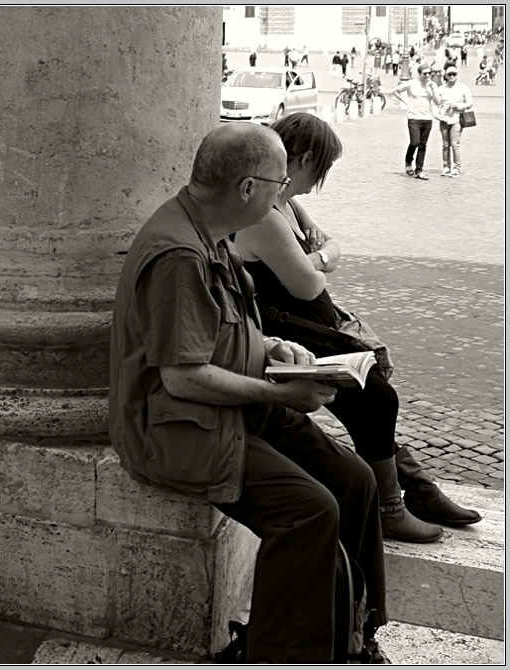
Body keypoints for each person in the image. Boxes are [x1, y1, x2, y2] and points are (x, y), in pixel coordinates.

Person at [109, 123, 388, 663]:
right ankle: (279, 655)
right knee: (309, 509)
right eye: (279, 184)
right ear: (246, 188)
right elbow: (182, 377)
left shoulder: (206, 230)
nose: (284, 194)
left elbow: (221, 329)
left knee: (355, 481)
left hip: (228, 408)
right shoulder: (179, 255)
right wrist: (279, 394)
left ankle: (353, 632)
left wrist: (273, 346)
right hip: (178, 426)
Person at [232, 113, 481, 542]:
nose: (320, 180)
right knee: (376, 400)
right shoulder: (265, 214)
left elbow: (329, 246)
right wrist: (320, 257)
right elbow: (309, 283)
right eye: (323, 168)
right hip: (294, 333)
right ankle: (393, 504)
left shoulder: (286, 203)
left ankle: (414, 490)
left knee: (371, 403)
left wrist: (318, 255)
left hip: (312, 326)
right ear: (306, 159)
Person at [390, 63, 440, 179]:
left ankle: (419, 170)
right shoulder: (411, 84)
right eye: (425, 73)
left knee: (423, 145)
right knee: (414, 143)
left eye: (429, 73)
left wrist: (434, 89)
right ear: (419, 74)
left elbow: (438, 102)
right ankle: (408, 162)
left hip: (427, 119)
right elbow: (395, 91)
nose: (427, 75)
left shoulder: (433, 85)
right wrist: (405, 101)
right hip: (414, 118)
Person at [435, 66, 473, 177]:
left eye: (454, 74)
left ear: (457, 75)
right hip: (444, 120)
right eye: (450, 74)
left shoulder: (463, 88)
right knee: (445, 144)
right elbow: (435, 104)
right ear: (446, 75)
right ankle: (446, 166)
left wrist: (459, 106)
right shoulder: (441, 89)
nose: (452, 76)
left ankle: (457, 168)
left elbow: (469, 103)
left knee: (455, 144)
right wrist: (438, 116)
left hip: (457, 119)